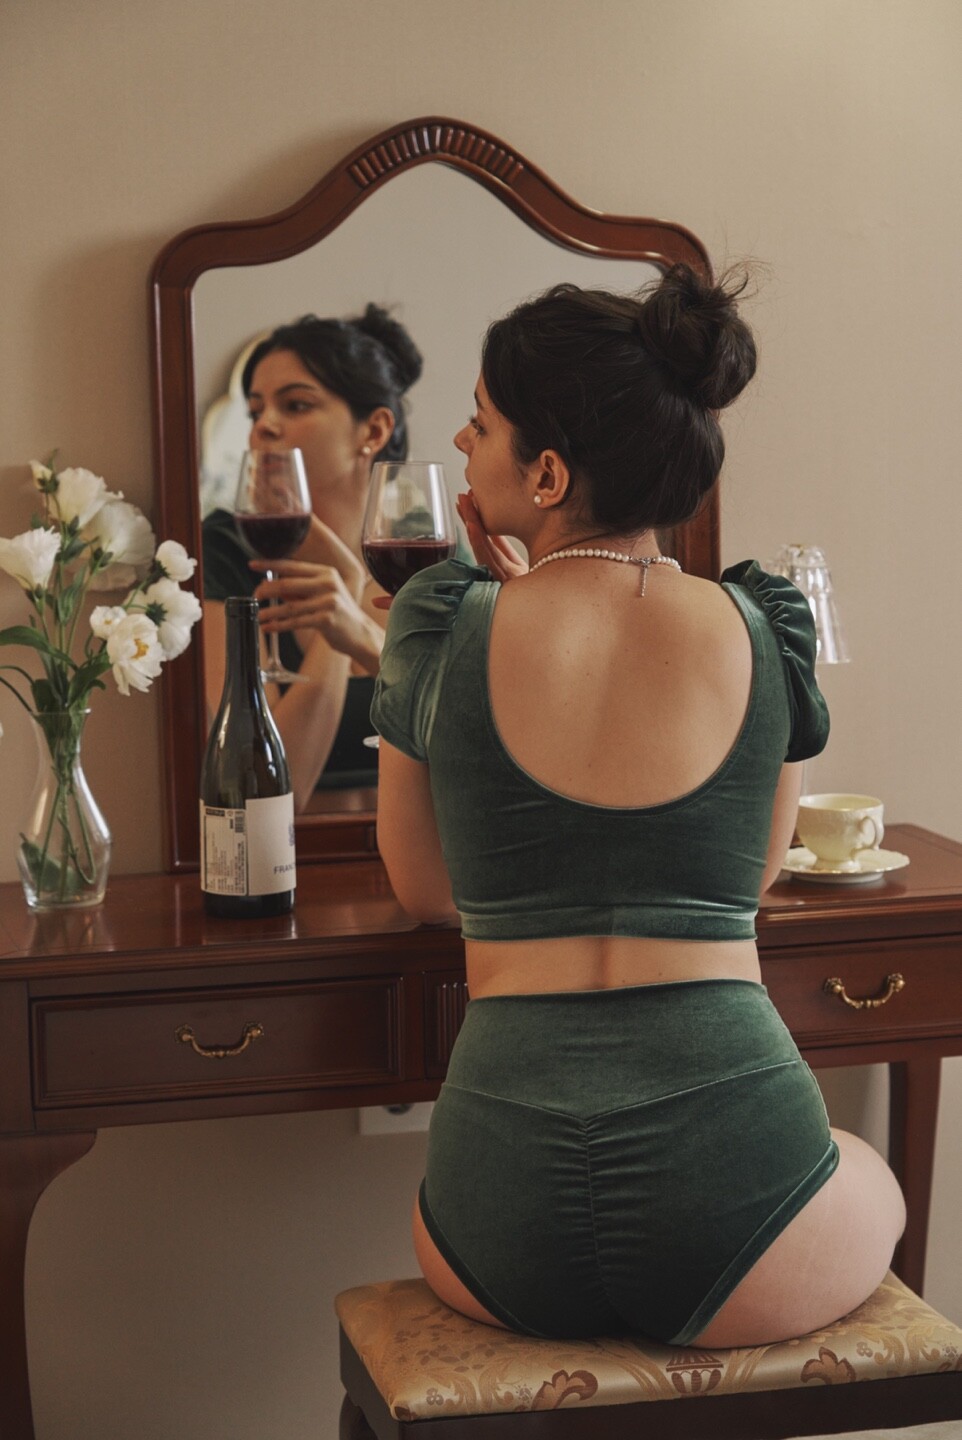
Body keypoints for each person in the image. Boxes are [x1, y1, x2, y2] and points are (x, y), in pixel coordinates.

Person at [371, 267, 905, 1347]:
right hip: (737, 1204)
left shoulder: (441, 621)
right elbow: (754, 874)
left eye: (481, 424)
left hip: (498, 1220)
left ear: (548, 472)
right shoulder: (761, 626)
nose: (463, 445)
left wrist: (491, 611)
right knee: (870, 1178)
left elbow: (424, 890)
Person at [202, 305, 422, 809]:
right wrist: (341, 587)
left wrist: (356, 623)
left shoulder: (426, 558)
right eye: (255, 411)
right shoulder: (228, 549)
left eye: (295, 405)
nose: (264, 427)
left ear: (373, 431)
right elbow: (274, 792)